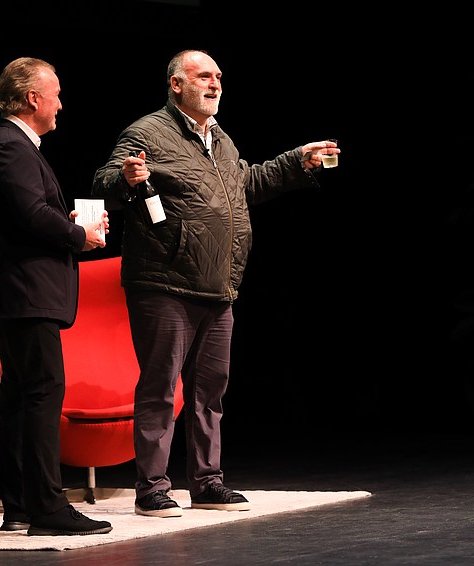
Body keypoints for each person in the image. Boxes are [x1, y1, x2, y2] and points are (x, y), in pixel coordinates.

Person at [91, 49, 339, 518]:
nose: (215, 83)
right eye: (204, 76)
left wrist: (296, 162)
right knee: (161, 388)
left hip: (218, 284)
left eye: (219, 77)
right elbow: (106, 181)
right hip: (165, 282)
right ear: (176, 85)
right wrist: (125, 179)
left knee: (210, 392)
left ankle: (206, 482)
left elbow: (246, 183)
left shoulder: (219, 140)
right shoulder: (148, 132)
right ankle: (152, 489)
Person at [0, 56, 112, 536]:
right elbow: (32, 215)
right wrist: (81, 237)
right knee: (41, 395)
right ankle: (48, 509)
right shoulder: (10, 147)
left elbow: (28, 214)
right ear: (33, 98)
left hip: (23, 292)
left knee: (20, 398)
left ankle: (21, 506)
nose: (60, 103)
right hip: (25, 293)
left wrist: (72, 226)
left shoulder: (14, 145)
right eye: (54, 93)